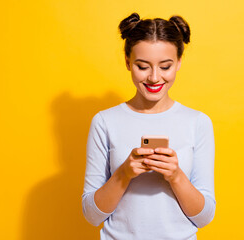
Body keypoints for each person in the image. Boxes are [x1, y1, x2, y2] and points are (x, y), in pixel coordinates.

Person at [82, 12, 216, 240]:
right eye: (143, 66)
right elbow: (91, 216)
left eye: (165, 67)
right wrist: (124, 173)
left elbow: (204, 218)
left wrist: (176, 176)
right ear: (127, 62)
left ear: (179, 62)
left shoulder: (198, 122)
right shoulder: (105, 121)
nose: (154, 78)